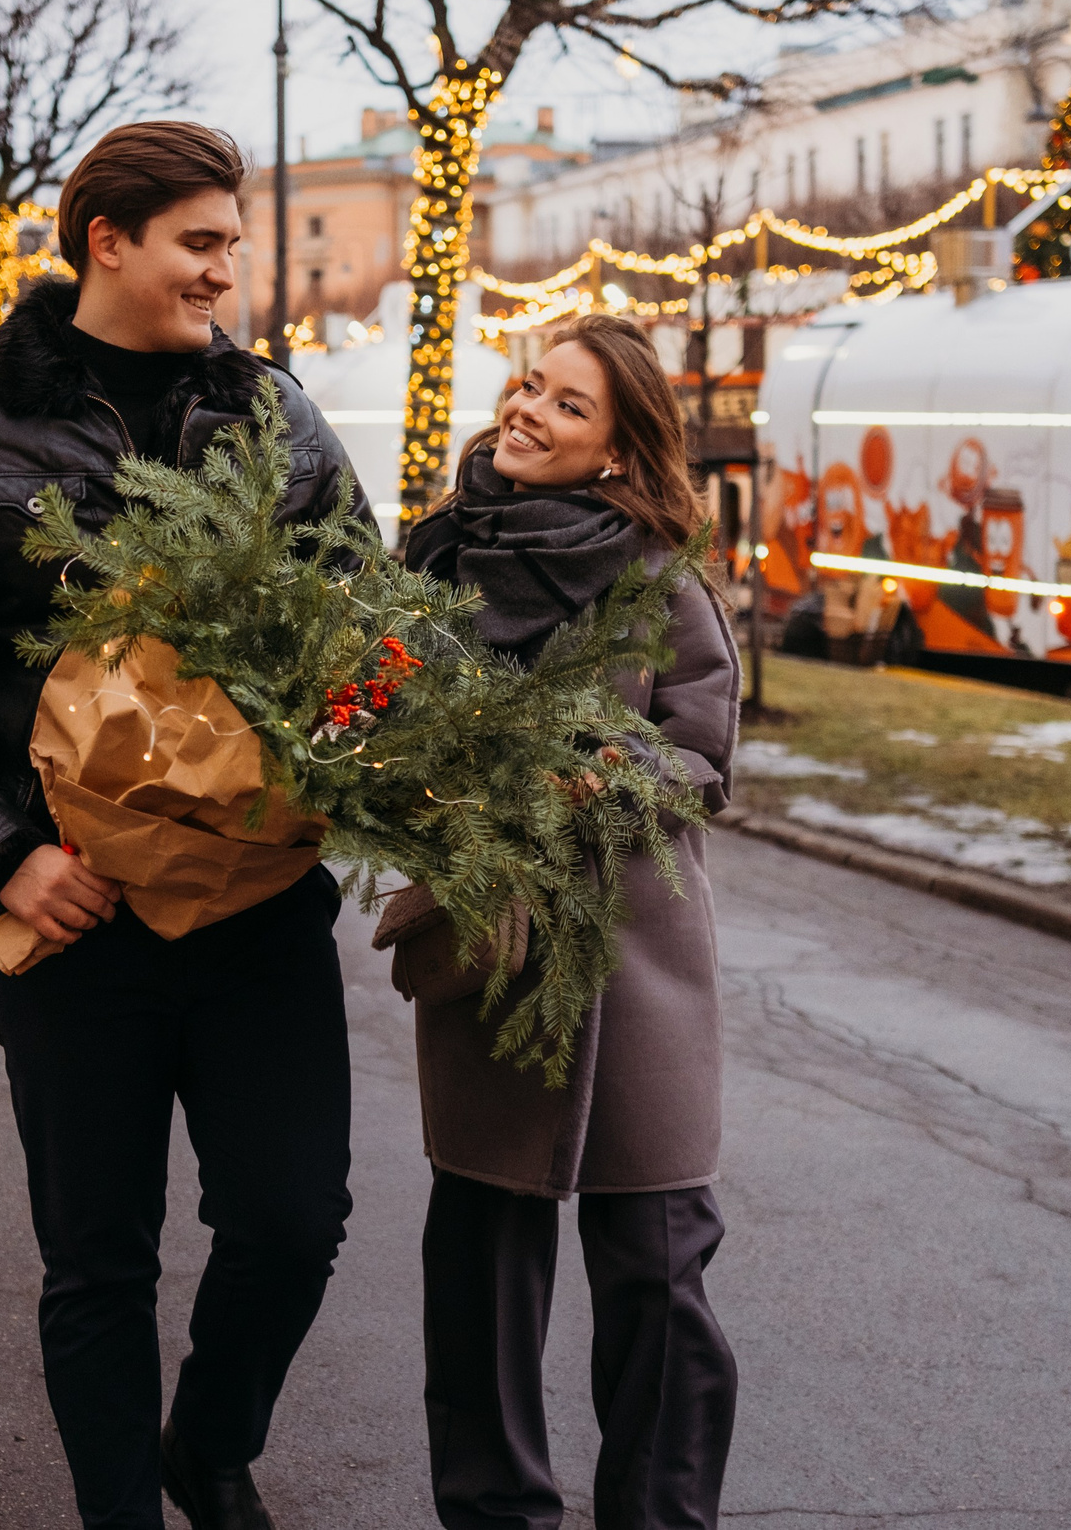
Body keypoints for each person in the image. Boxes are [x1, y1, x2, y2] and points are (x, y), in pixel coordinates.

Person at [0, 121, 368, 1530]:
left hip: (259, 909)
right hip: (75, 919)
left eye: (233, 243)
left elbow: (368, 630)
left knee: (290, 1220)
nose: (228, 270)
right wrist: (5, 855)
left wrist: (392, 728)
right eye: (203, 242)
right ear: (108, 240)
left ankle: (208, 1443)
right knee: (99, 1258)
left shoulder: (276, 417)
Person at [400, 313, 742, 1530]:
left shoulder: (659, 580)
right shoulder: (438, 560)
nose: (527, 411)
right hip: (493, 949)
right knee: (482, 1272)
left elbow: (701, 757)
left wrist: (610, 775)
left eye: (566, 404)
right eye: (528, 386)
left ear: (615, 451)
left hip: (637, 961)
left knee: (659, 1277)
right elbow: (366, 723)